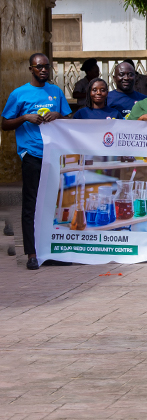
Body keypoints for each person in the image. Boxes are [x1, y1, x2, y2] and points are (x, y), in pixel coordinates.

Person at [1, 53, 71, 271]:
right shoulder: (19, 94)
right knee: (31, 204)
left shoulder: (56, 92)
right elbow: (4, 124)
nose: (43, 70)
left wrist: (58, 115)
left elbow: (69, 120)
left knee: (54, 203)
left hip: (55, 156)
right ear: (31, 69)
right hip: (32, 155)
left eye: (46, 67)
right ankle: (32, 254)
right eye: (38, 67)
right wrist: (25, 118)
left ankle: (50, 251)